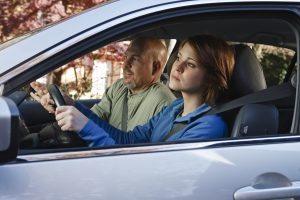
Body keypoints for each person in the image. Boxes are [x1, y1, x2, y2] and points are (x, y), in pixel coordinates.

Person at [52, 34, 235, 147]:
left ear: (212, 77)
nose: (177, 67)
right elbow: (127, 141)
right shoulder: (174, 109)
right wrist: (75, 108)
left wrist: (85, 127)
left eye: (191, 64)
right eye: (178, 58)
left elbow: (154, 172)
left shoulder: (209, 127)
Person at [28, 37, 175, 147]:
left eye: (135, 59)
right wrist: (66, 106)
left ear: (155, 67)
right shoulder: (119, 87)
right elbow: (95, 119)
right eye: (125, 57)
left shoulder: (163, 102)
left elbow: (135, 149)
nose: (125, 64)